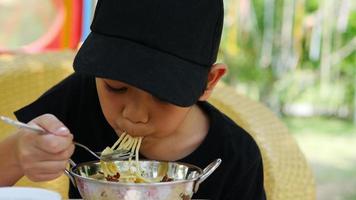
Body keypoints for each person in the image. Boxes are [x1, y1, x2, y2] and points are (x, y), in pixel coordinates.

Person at [0, 0, 266, 199]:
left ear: (208, 82)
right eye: (115, 87)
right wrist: (17, 154)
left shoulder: (237, 157)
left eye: (163, 94)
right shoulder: (81, 96)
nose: (134, 115)